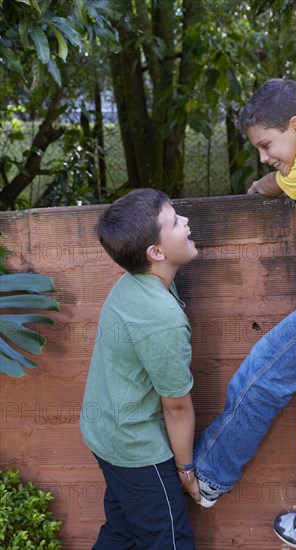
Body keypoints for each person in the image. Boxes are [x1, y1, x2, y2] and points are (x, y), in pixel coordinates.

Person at [193, 79, 296, 550]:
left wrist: (261, 183)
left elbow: (274, 185)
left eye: (267, 144)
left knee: (260, 377)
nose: (266, 156)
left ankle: (209, 474)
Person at [80, 188, 201, 550]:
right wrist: (186, 471)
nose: (187, 222)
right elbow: (177, 407)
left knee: (123, 532)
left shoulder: (133, 280)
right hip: (135, 449)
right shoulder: (162, 318)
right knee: (171, 542)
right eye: (176, 222)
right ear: (156, 252)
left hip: (105, 433)